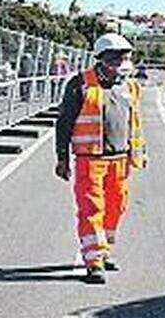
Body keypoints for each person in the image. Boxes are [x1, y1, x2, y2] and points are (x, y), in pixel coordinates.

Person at [53, 33, 147, 284]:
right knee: (92, 208)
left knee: (116, 206)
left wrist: (140, 151)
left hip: (120, 159)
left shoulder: (130, 86)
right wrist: (62, 157)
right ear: (103, 59)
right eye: (117, 58)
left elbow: (134, 122)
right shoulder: (80, 84)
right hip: (90, 159)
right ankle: (93, 261)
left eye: (126, 57)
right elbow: (64, 122)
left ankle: (103, 250)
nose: (122, 62)